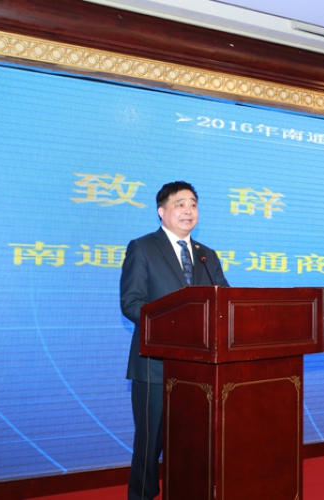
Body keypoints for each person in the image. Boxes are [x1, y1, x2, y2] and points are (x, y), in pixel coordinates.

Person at [120, 181, 230, 500]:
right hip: (155, 367)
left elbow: (224, 302)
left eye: (193, 204)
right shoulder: (143, 247)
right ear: (161, 211)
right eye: (180, 204)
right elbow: (132, 303)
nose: (188, 210)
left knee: (190, 443)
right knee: (150, 444)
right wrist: (174, 326)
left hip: (199, 372)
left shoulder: (207, 256)